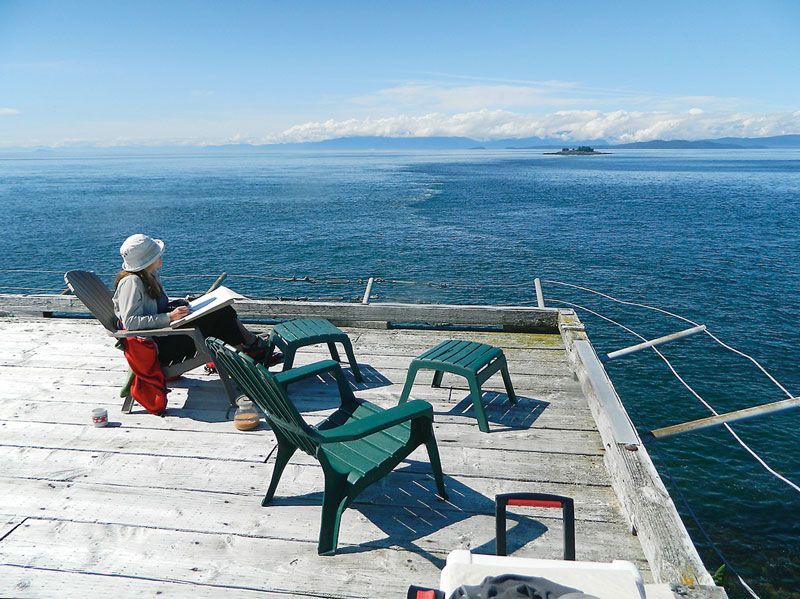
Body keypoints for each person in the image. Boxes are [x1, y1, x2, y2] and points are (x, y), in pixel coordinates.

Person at [112, 233, 280, 366]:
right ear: (148, 260)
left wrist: (176, 308)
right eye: (157, 254)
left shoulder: (149, 275)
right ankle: (250, 347)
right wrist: (169, 317)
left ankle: (246, 349)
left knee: (221, 311)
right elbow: (132, 323)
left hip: (165, 335)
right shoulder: (132, 282)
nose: (161, 255)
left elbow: (154, 307)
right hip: (161, 347)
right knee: (220, 314)